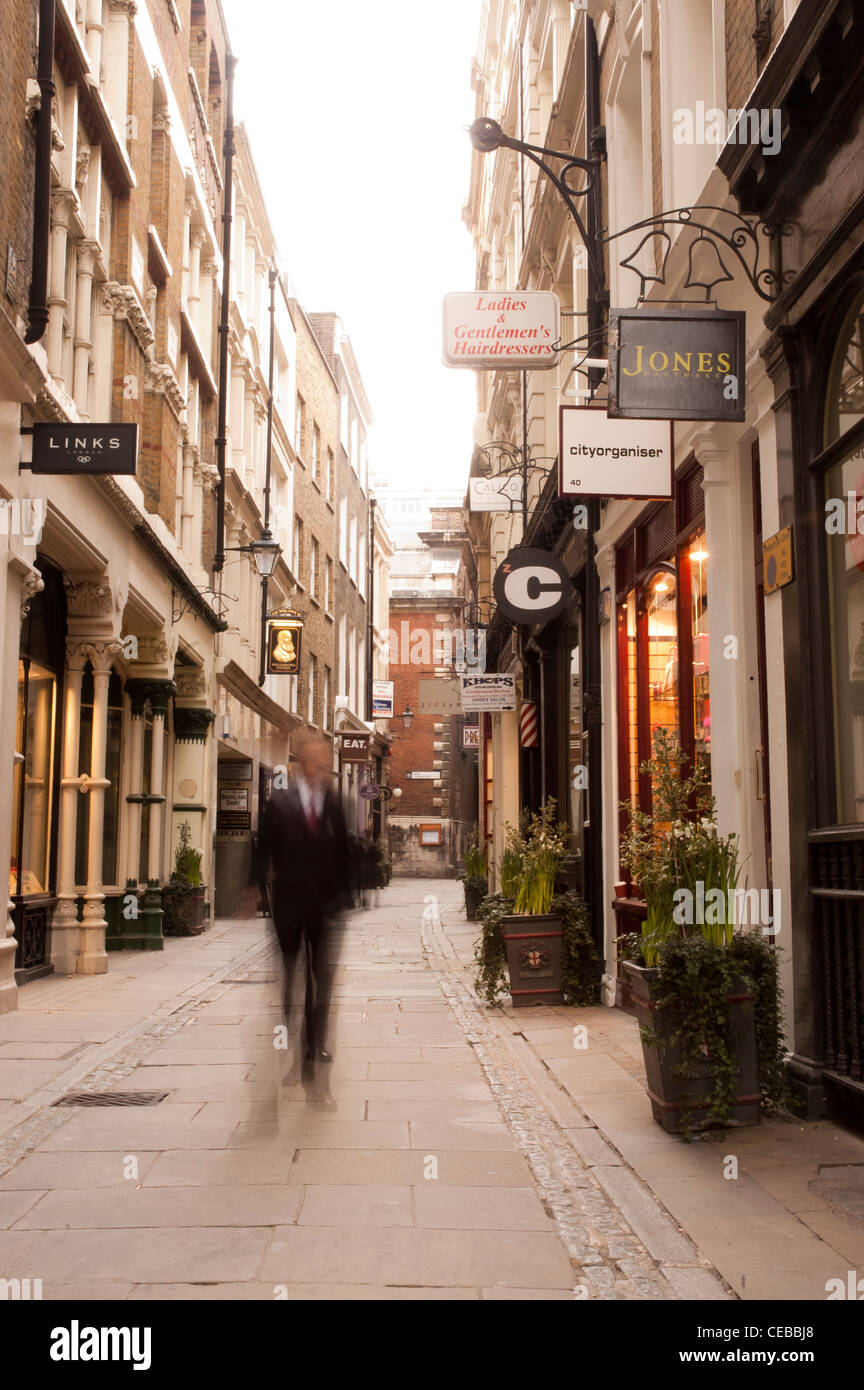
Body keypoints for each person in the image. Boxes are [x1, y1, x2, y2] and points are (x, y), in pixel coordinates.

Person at [251, 732, 348, 1076]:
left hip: (324, 904)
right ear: (301, 763)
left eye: (324, 760)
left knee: (321, 977)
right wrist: (255, 887)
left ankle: (314, 1044)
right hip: (289, 902)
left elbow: (344, 848)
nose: (320, 765)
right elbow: (263, 849)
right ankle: (288, 1029)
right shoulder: (280, 802)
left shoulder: (332, 801)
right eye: (315, 759)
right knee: (291, 973)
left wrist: (345, 894)